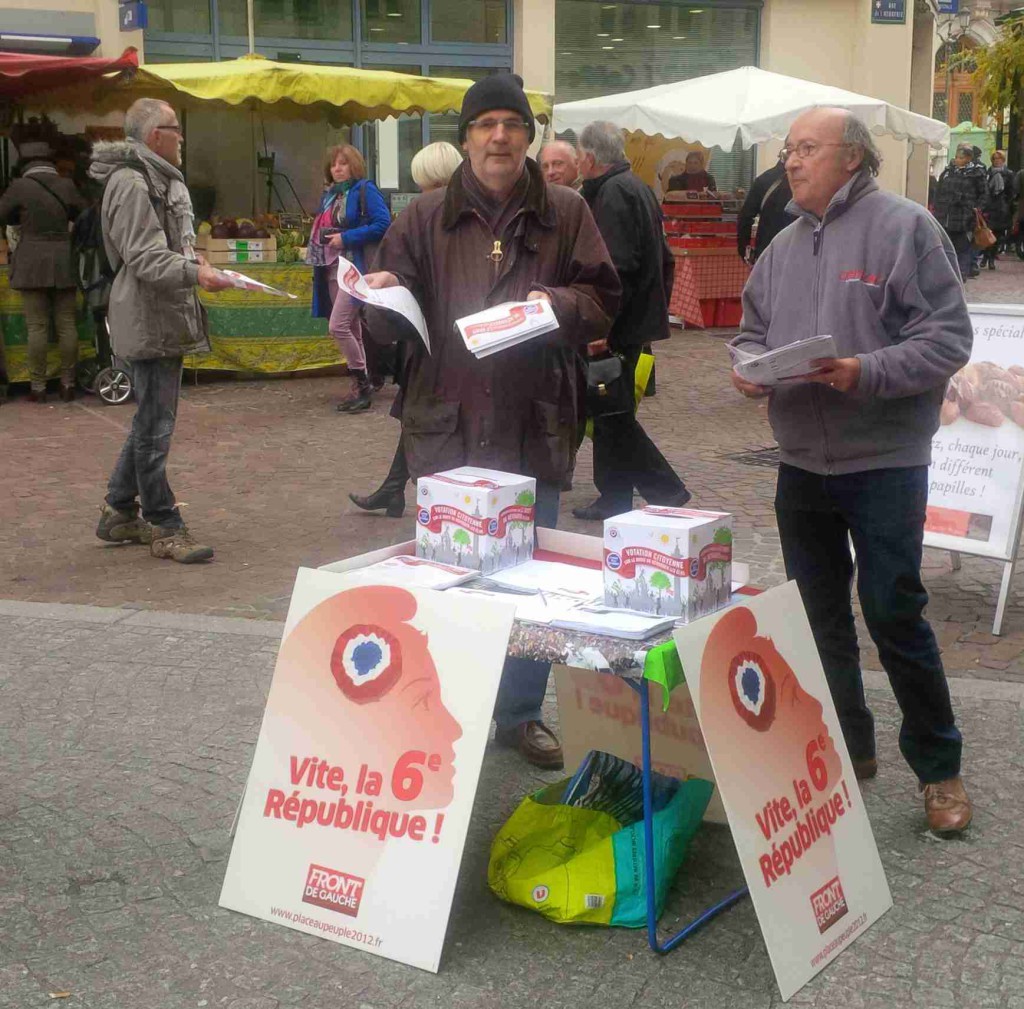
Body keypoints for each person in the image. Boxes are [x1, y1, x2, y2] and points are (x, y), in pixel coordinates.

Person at [361, 73, 620, 769]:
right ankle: (446, 708)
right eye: (485, 124)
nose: (499, 135)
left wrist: (556, 306)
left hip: (534, 420)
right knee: (448, 580)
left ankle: (518, 712)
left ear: (529, 136)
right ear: (466, 136)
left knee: (530, 580)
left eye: (512, 123)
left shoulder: (565, 210)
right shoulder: (421, 216)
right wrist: (380, 299)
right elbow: (389, 325)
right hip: (446, 420)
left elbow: (604, 299)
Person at [730, 107, 973, 836]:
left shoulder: (906, 228)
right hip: (802, 461)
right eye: (788, 149)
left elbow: (948, 337)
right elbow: (748, 333)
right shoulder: (779, 244)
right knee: (818, 614)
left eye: (807, 148)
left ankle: (940, 768)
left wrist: (862, 370)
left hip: (885, 460)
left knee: (894, 609)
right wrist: (747, 370)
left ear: (853, 158)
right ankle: (848, 745)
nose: (792, 161)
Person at [91, 98, 234, 564]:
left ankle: (117, 510)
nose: (182, 138)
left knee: (150, 420)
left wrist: (196, 261)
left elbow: (168, 248)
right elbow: (147, 258)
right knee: (155, 426)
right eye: (176, 129)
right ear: (156, 136)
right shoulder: (132, 183)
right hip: (147, 316)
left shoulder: (156, 179)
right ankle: (164, 524)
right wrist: (197, 274)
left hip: (160, 315)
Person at [571, 121, 690, 521]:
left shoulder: (614, 194)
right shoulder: (633, 187)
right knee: (609, 414)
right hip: (632, 322)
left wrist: (601, 329)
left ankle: (666, 490)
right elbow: (662, 260)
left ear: (589, 158)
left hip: (617, 328)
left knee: (613, 415)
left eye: (576, 155)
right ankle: (615, 496)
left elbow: (616, 269)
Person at [349, 142, 464, 519]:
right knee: (417, 414)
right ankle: (393, 488)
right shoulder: (453, 211)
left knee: (424, 417)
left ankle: (413, 496)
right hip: (439, 337)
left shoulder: (425, 214)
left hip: (432, 340)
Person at [0, 141, 86, 402]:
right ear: (50, 162)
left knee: (36, 327)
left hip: (31, 260)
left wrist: (19, 220)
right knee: (67, 325)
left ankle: (38, 388)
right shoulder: (67, 185)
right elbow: (84, 217)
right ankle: (68, 385)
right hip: (63, 258)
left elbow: (1, 214)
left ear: (25, 164)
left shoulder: (19, 187)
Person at [308, 145, 391, 413]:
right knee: (351, 325)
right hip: (332, 266)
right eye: (334, 165)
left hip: (356, 267)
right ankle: (360, 387)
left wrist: (346, 237)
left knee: (338, 325)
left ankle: (363, 383)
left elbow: (383, 223)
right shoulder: (330, 196)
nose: (338, 168)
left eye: (343, 163)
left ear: (354, 165)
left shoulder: (365, 190)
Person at [933, 142, 987, 281]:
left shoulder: (976, 174)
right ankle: (947, 274)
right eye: (956, 157)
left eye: (960, 157)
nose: (957, 160)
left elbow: (984, 194)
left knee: (962, 247)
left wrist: (976, 209)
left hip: (964, 216)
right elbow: (938, 192)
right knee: (946, 247)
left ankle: (961, 274)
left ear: (968, 158)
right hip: (945, 216)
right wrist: (938, 208)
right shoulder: (948, 172)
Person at [736, 156, 795, 264]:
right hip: (801, 251)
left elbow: (745, 217)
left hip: (767, 249)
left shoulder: (764, 179)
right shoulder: (810, 180)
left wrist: (744, 248)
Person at [982, 149, 1016, 269]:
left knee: (997, 236)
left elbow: (1012, 191)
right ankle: (986, 255)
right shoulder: (988, 172)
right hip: (989, 208)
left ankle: (991, 258)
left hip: (1002, 209)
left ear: (1003, 160)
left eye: (999, 158)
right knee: (987, 233)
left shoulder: (1009, 174)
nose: (997, 161)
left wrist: (1007, 204)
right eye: (995, 159)